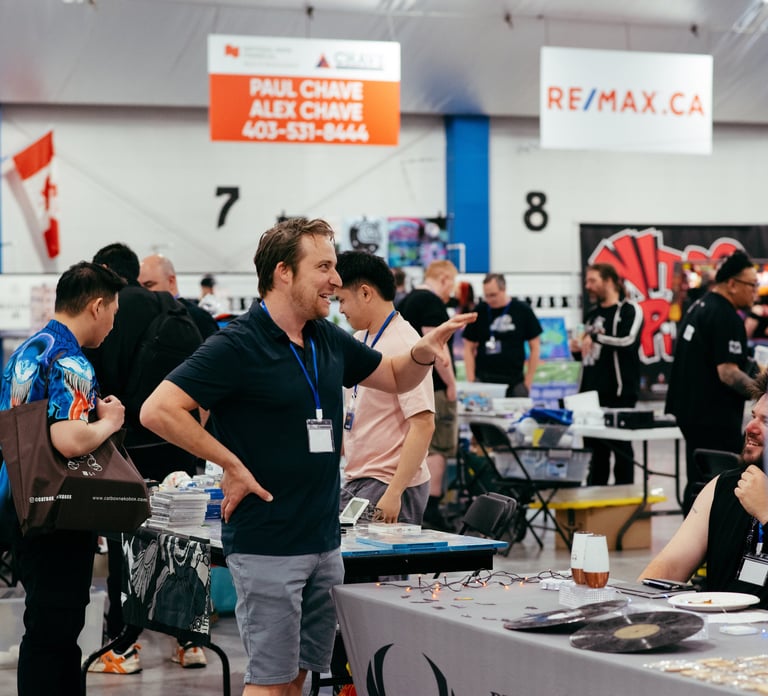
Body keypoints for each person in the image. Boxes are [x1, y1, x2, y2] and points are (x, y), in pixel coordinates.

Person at [139, 217, 475, 696]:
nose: (336, 281)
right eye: (323, 267)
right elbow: (159, 410)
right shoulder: (238, 344)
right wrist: (231, 463)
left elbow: (397, 376)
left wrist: (423, 351)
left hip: (323, 542)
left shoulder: (326, 340)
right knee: (270, 683)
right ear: (283, 273)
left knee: (301, 679)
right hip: (268, 545)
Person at [0, 262, 126, 696]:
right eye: (113, 311)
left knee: (42, 629)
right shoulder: (71, 360)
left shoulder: (28, 350)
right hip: (58, 514)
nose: (113, 322)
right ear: (96, 307)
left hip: (19, 505)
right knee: (56, 635)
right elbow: (71, 440)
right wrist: (110, 421)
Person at [85, 243, 207, 673]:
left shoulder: (111, 313)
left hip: (129, 447)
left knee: (127, 544)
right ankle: (189, 641)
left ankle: (124, 644)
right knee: (185, 541)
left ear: (104, 273)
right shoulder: (179, 309)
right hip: (180, 445)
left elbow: (97, 384)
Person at [639, 370, 768, 606]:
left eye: (766, 421)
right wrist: (630, 607)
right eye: (753, 416)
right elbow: (668, 567)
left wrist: (766, 513)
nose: (750, 427)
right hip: (721, 635)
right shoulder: (724, 487)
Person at [335, 251, 435, 524]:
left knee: (381, 567)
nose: (340, 309)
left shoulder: (404, 344)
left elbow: (424, 423)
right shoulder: (360, 339)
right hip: (360, 478)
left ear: (366, 293)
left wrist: (395, 492)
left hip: (389, 483)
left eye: (342, 300)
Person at [666, 250, 758, 514]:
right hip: (712, 416)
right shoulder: (726, 316)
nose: (755, 292)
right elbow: (728, 373)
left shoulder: (700, 305)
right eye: (751, 285)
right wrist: (761, 391)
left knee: (699, 479)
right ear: (732, 284)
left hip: (691, 412)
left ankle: (692, 542)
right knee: (721, 482)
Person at [398, 260, 459, 531]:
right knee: (439, 446)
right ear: (444, 279)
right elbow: (434, 346)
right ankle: (433, 509)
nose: (451, 291)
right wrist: (452, 384)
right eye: (452, 284)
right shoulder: (432, 303)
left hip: (409, 384)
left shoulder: (407, 300)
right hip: (433, 387)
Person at [569, 263, 643, 486]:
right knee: (594, 455)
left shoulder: (630, 310)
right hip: (590, 395)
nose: (587, 286)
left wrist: (598, 338)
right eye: (587, 281)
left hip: (619, 392)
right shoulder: (592, 315)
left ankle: (625, 507)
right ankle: (595, 510)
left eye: (592, 281)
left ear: (609, 281)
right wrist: (576, 350)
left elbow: (628, 340)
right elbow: (588, 355)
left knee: (621, 453)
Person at [462, 273, 542, 398]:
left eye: (493, 295)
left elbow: (535, 346)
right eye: (486, 296)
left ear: (503, 289)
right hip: (483, 380)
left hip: (515, 382)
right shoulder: (479, 311)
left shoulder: (522, 310)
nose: (489, 299)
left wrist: (528, 382)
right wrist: (471, 380)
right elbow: (468, 347)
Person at [139, 253, 219, 339]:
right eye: (139, 287)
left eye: (149, 285)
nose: (143, 292)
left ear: (171, 281)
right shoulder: (143, 319)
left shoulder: (198, 318)